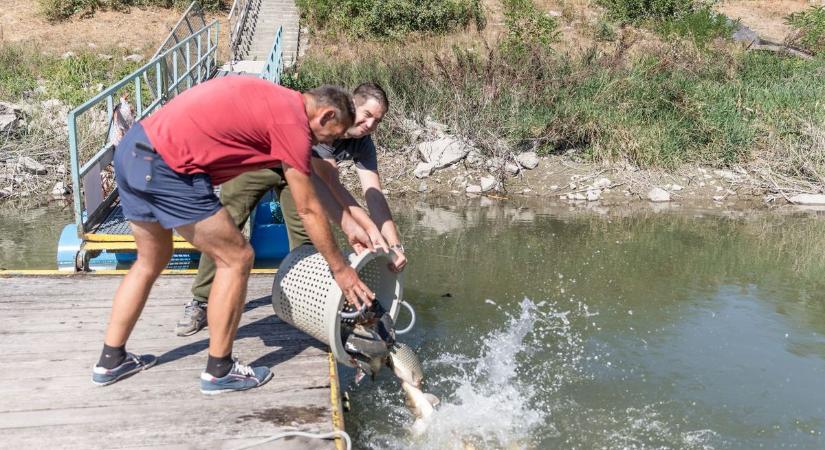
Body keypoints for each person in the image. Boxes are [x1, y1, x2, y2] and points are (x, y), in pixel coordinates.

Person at [91, 77, 376, 395]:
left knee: (150, 259)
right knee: (237, 257)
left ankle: (111, 359)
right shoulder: (294, 124)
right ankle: (220, 370)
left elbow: (308, 181)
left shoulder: (279, 101)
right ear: (326, 116)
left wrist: (348, 224)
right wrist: (341, 270)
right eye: (331, 136)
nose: (323, 145)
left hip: (133, 150)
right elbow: (307, 209)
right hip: (169, 165)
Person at [176, 82, 407, 337]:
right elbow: (329, 183)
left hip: (300, 175)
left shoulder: (363, 143)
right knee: (226, 228)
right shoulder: (330, 119)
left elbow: (373, 195)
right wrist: (366, 228)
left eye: (378, 121)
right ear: (353, 104)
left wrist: (394, 244)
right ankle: (200, 301)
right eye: (367, 116)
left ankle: (306, 303)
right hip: (261, 163)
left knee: (308, 240)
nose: (370, 126)